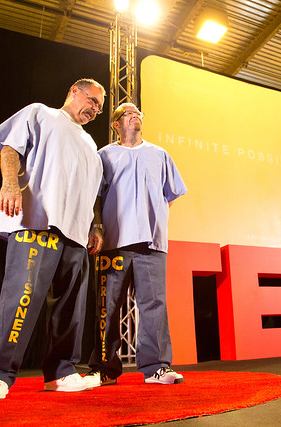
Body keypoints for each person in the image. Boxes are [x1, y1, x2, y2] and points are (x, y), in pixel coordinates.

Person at [0, 78, 106, 400]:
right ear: (74, 91)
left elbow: (90, 190)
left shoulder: (91, 144)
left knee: (71, 308)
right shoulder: (41, 113)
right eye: (92, 100)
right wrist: (9, 183)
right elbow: (10, 147)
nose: (95, 109)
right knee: (22, 297)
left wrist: (95, 225)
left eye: (100, 107)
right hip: (38, 223)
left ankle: (62, 373)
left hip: (75, 233)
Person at [85, 102, 187, 387]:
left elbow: (171, 193)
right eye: (128, 113)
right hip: (113, 244)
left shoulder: (160, 154)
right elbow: (94, 197)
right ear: (116, 124)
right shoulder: (104, 155)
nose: (135, 116)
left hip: (152, 244)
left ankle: (156, 367)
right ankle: (104, 368)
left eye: (138, 113)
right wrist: (97, 228)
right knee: (107, 307)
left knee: (154, 305)